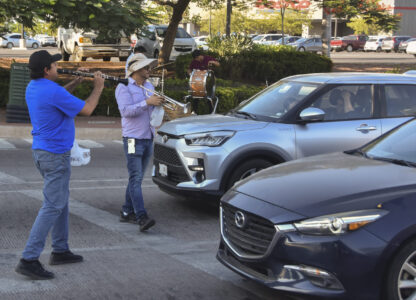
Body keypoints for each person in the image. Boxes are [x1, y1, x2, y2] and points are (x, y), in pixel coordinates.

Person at [15, 50, 105, 280]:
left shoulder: (34, 87)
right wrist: (98, 87)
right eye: (55, 65)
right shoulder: (51, 91)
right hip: (55, 156)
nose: (58, 67)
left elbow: (60, 97)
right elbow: (87, 110)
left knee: (60, 201)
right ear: (47, 70)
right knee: (52, 205)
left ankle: (60, 250)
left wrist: (76, 81)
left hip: (42, 153)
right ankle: (29, 258)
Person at [115, 53, 164, 232]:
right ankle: (141, 216)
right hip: (132, 139)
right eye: (145, 67)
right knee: (135, 178)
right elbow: (126, 111)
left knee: (136, 178)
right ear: (135, 69)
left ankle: (127, 211)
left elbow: (152, 110)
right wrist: (147, 102)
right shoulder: (124, 88)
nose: (149, 70)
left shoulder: (149, 85)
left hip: (148, 137)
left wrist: (158, 104)